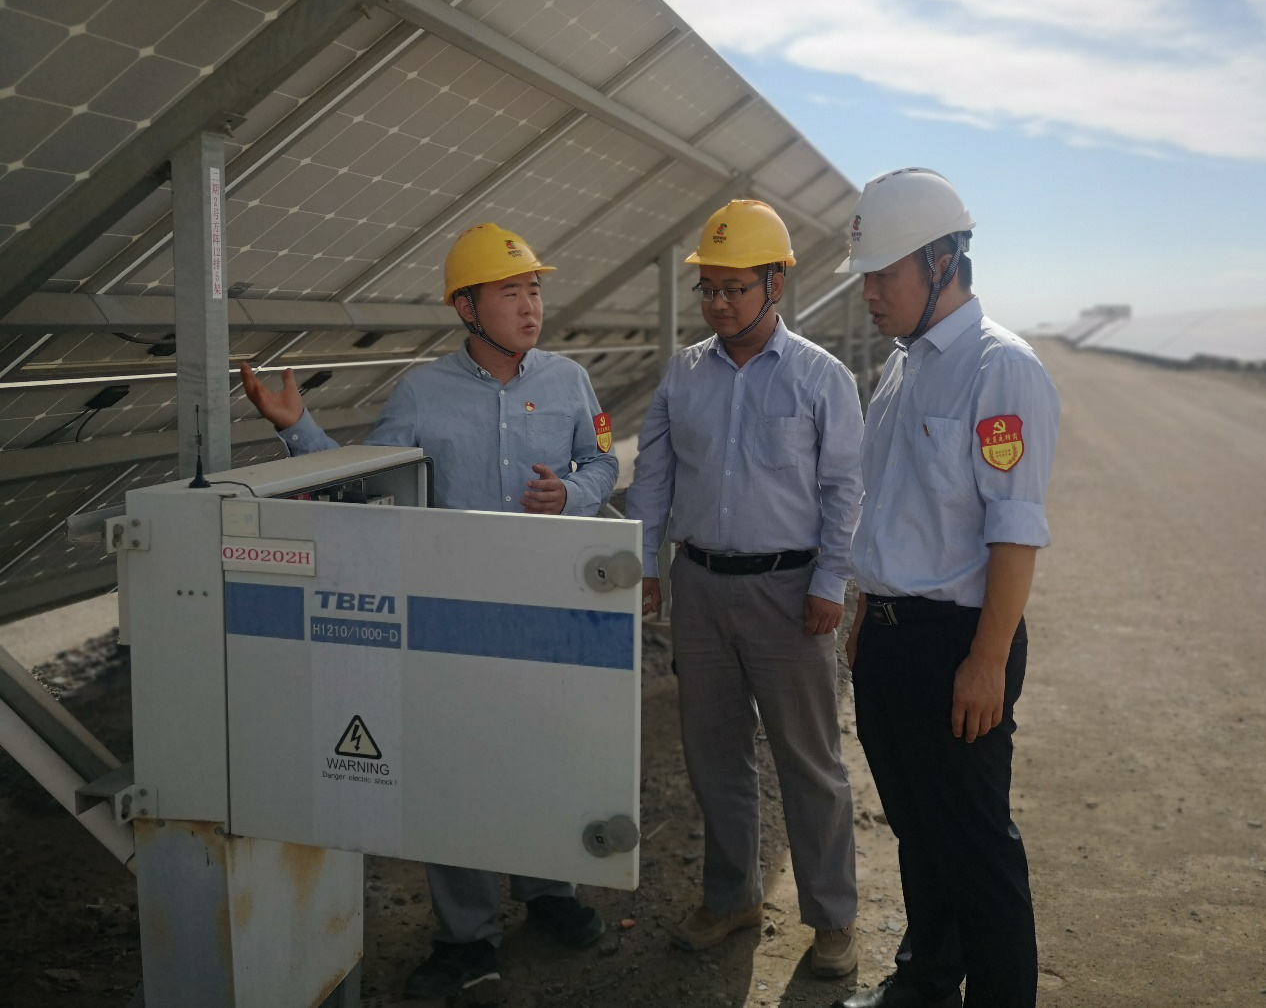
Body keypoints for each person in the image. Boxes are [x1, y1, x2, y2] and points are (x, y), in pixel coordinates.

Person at [240, 222, 619, 1000]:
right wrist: (296, 429)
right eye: (510, 292)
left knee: (544, 754)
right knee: (457, 767)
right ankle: (466, 937)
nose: (530, 306)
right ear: (466, 308)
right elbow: (372, 481)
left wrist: (573, 494)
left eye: (534, 289)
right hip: (455, 618)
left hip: (546, 608)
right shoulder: (421, 392)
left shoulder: (571, 381)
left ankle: (549, 890)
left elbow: (602, 461)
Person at [835, 168, 1059, 1008]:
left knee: (977, 848)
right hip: (891, 637)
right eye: (865, 275)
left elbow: (1014, 529)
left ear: (941, 262)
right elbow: (891, 508)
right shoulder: (902, 368)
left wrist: (987, 660)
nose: (869, 293)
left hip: (958, 643)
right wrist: (867, 611)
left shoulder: (1000, 369)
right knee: (918, 832)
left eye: (883, 274)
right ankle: (926, 984)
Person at [624, 200, 865, 978]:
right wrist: (645, 565)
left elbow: (845, 491)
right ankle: (732, 899)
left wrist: (830, 582)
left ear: (776, 284)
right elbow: (653, 475)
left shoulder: (820, 377)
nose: (720, 304)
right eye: (709, 289)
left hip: (790, 595)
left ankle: (832, 918)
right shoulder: (683, 373)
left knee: (810, 762)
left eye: (735, 288)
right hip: (699, 587)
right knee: (714, 755)